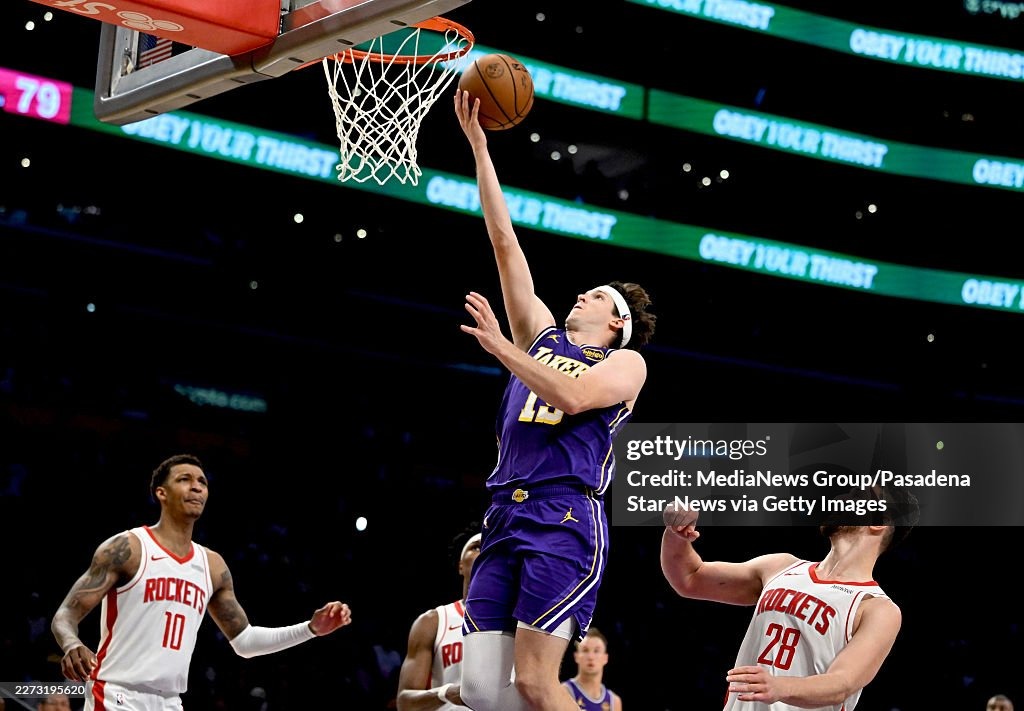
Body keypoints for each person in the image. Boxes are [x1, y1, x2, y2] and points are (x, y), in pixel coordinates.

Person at [452, 90, 657, 711]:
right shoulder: (541, 334)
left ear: (617, 320)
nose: (581, 297)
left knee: (540, 684)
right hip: (504, 513)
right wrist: (481, 150)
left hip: (565, 518)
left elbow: (568, 395)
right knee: (481, 690)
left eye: (596, 296)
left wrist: (502, 349)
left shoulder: (626, 362)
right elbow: (504, 242)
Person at [51, 453, 352, 710]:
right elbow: (65, 614)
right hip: (116, 694)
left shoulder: (212, 566)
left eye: (202, 482)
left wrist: (310, 629)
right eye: (184, 479)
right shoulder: (128, 548)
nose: (196, 487)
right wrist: (72, 643)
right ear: (161, 492)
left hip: (170, 701)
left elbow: (245, 643)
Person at [660, 490, 917, 711]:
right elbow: (690, 578)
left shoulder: (876, 607)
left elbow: (843, 682)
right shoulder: (780, 566)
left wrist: (780, 685)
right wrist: (677, 535)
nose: (840, 498)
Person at [395, 523, 482, 711]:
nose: (484, 552)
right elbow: (404, 702)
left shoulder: (521, 620)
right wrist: (445, 692)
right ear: (460, 565)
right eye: (476, 547)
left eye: (490, 548)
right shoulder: (434, 621)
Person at [562, 627, 622, 711]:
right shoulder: (564, 692)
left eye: (596, 651)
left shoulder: (614, 701)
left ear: (605, 658)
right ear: (576, 656)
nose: (591, 657)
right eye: (585, 650)